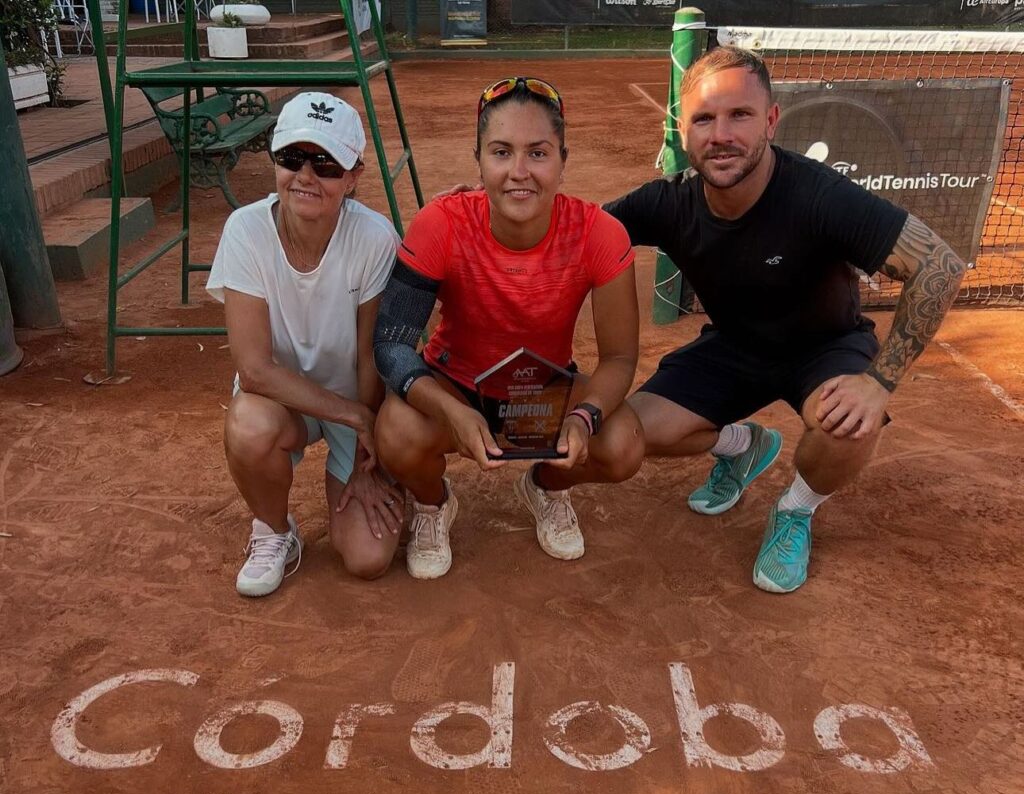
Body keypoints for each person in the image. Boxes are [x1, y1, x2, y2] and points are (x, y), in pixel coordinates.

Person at [605, 46, 966, 593]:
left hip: (825, 348)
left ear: (771, 120)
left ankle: (796, 509)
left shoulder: (818, 195)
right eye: (704, 118)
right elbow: (575, 230)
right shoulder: (668, 201)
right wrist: (483, 210)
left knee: (848, 427)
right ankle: (740, 446)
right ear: (682, 130)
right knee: (623, 435)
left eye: (739, 115)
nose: (720, 134)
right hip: (733, 347)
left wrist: (878, 382)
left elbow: (939, 264)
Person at [372, 76, 644, 580]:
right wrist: (451, 410)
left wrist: (583, 418)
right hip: (455, 381)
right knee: (396, 432)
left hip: (543, 389)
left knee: (623, 442)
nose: (519, 173)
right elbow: (391, 344)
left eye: (538, 154)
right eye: (501, 152)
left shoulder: (600, 235)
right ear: (477, 159)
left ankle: (547, 486)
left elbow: (620, 358)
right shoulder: (441, 223)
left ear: (564, 160)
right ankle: (434, 504)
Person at [208, 92, 402, 597]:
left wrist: (368, 444)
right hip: (282, 403)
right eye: (292, 158)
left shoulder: (375, 238)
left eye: (326, 164)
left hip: (353, 398)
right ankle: (274, 530)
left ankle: (391, 484)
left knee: (368, 558)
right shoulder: (245, 231)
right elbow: (253, 370)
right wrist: (355, 417)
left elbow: (370, 355)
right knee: (249, 424)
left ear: (354, 176)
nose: (306, 176)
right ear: (274, 160)